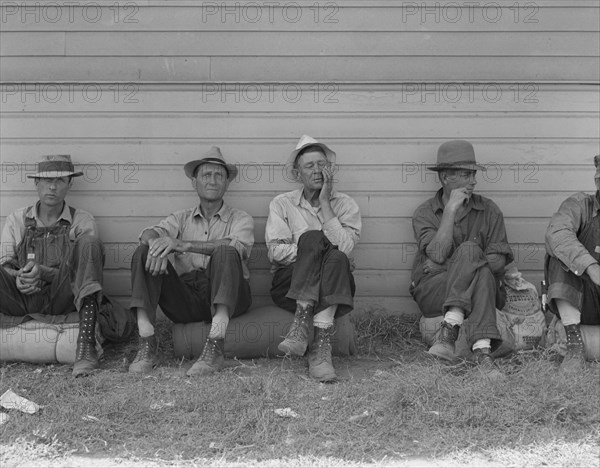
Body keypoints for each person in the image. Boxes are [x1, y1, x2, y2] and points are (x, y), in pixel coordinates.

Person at [0, 155, 131, 376]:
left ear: (70, 184)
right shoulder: (17, 219)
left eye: (60, 180)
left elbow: (83, 273)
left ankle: (85, 347)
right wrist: (18, 277)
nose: (52, 186)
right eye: (46, 180)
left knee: (89, 244)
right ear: (36, 183)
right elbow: (5, 264)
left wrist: (44, 272)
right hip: (21, 298)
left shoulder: (82, 221)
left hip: (63, 297)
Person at [128, 147, 254, 376]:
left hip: (230, 295)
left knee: (226, 250)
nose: (213, 181)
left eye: (219, 176)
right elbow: (148, 233)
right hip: (186, 297)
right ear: (194, 182)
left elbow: (240, 246)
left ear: (227, 183)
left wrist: (184, 245)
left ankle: (215, 346)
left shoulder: (240, 218)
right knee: (143, 252)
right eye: (206, 175)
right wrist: (157, 248)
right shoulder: (180, 217)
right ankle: (147, 342)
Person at [409, 140, 514, 380]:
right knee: (479, 266)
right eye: (466, 175)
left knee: (473, 257)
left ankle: (449, 332)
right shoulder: (424, 212)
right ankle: (484, 354)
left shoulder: (489, 210)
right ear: (446, 178)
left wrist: (452, 263)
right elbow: (435, 253)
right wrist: (450, 211)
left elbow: (499, 263)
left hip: (485, 289)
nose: (474, 181)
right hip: (435, 290)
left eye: (473, 174)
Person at [265, 135, 361, 382]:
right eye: (310, 166)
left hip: (335, 284)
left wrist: (326, 204)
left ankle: (315, 343)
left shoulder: (346, 205)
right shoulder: (282, 204)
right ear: (298, 174)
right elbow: (275, 251)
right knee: (313, 240)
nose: (318, 171)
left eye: (322, 165)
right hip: (289, 285)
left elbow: (346, 248)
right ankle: (318, 349)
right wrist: (314, 251)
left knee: (338, 259)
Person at [545, 154, 600, 372]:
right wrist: (590, 266)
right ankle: (575, 346)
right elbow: (556, 233)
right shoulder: (578, 205)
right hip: (585, 298)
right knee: (561, 256)